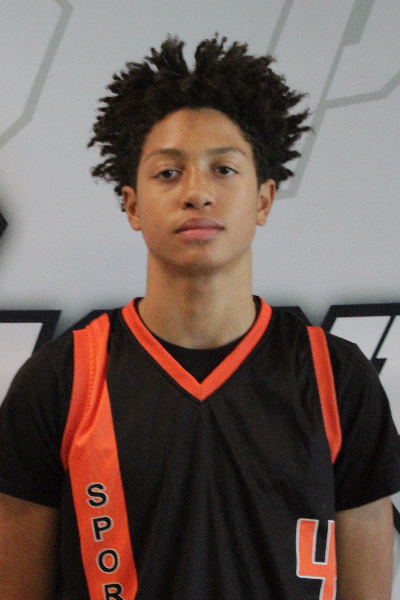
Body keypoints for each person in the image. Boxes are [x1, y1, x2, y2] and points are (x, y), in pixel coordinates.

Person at [0, 35, 399, 600]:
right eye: (168, 173)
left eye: (224, 169)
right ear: (132, 205)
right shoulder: (61, 379)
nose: (197, 193)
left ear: (263, 200)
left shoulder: (336, 376)